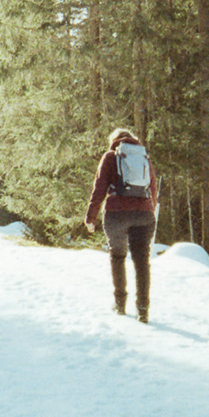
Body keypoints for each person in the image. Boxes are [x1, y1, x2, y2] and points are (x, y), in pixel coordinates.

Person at [83, 128, 158, 322]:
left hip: (116, 214)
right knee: (142, 261)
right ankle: (143, 309)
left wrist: (91, 217)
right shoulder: (144, 156)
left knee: (118, 256)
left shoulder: (110, 157)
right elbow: (153, 187)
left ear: (114, 141)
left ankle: (120, 305)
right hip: (144, 214)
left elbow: (99, 188)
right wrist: (150, 209)